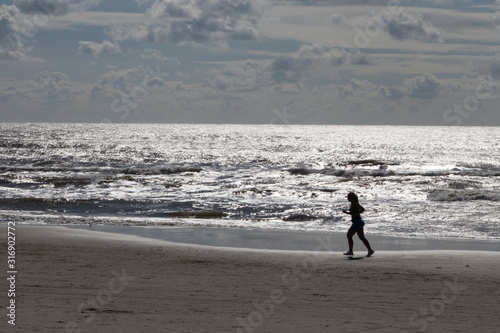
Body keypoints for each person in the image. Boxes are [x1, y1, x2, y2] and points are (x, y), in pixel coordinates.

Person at [342, 192, 374, 257]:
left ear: (352, 198)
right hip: (358, 221)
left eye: (348, 197)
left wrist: (357, 212)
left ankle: (350, 251)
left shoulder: (355, 204)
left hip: (357, 221)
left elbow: (363, 209)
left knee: (349, 235)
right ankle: (370, 250)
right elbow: (353, 213)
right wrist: (346, 213)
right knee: (361, 237)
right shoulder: (353, 204)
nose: (347, 198)